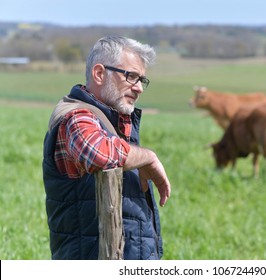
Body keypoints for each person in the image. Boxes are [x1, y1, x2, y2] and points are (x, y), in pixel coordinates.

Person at [42, 36, 171, 260]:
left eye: (142, 79)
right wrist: (148, 157)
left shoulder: (112, 119)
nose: (139, 88)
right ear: (99, 73)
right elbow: (97, 152)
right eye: (131, 76)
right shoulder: (76, 115)